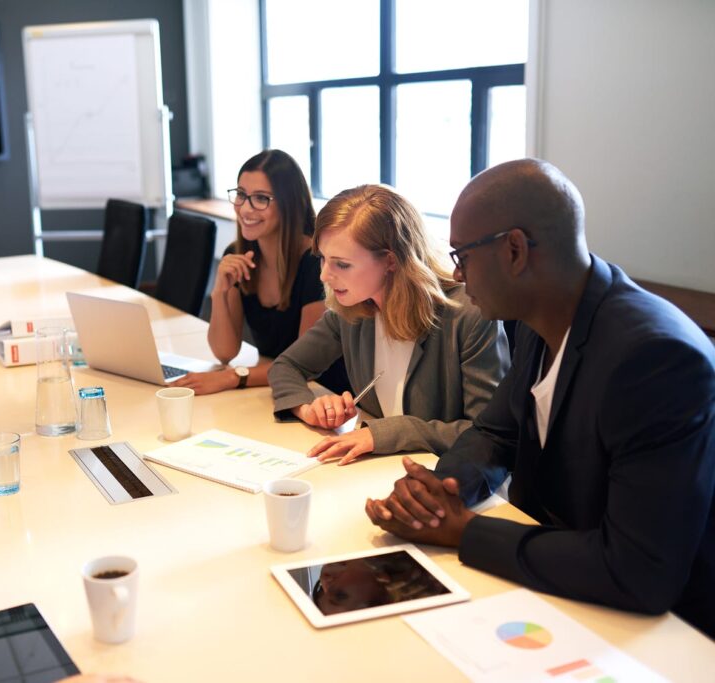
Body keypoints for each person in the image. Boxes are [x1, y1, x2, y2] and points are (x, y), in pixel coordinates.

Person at [365, 159, 715, 638]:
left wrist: (464, 531)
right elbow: (495, 431)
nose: (458, 275)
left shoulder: (654, 357)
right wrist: (437, 497)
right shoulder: (542, 316)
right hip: (561, 588)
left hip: (659, 631)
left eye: (461, 256)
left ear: (514, 250)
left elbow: (641, 570)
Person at [268, 184, 509, 464]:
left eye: (341, 264)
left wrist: (385, 434)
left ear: (390, 261)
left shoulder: (467, 315)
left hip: (447, 480)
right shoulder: (350, 307)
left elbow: (487, 435)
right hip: (380, 471)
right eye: (322, 259)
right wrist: (308, 407)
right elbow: (286, 366)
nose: (324, 276)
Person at [171, 149, 347, 395]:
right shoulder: (238, 256)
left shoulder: (316, 263)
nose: (245, 208)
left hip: (323, 394)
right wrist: (220, 292)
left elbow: (305, 364)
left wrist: (232, 377)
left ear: (290, 204)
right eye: (241, 195)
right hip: (274, 386)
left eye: (261, 198)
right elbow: (225, 352)